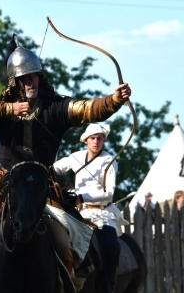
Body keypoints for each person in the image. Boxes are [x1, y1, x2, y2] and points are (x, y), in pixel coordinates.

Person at [0, 35, 132, 291]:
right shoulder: (4, 108)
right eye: (24, 77)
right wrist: (7, 110)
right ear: (15, 82)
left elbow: (90, 109)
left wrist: (114, 100)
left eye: (34, 75)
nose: (30, 81)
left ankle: (64, 287)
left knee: (68, 241)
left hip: (45, 190)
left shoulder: (56, 108)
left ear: (40, 77)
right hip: (2, 182)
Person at [53, 123, 129, 292]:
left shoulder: (109, 160)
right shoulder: (76, 157)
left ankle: (107, 288)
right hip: (78, 212)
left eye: (99, 139)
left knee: (111, 246)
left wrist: (81, 196)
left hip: (102, 213)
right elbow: (55, 168)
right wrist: (65, 188)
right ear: (86, 140)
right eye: (92, 138)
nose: (96, 141)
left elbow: (108, 193)